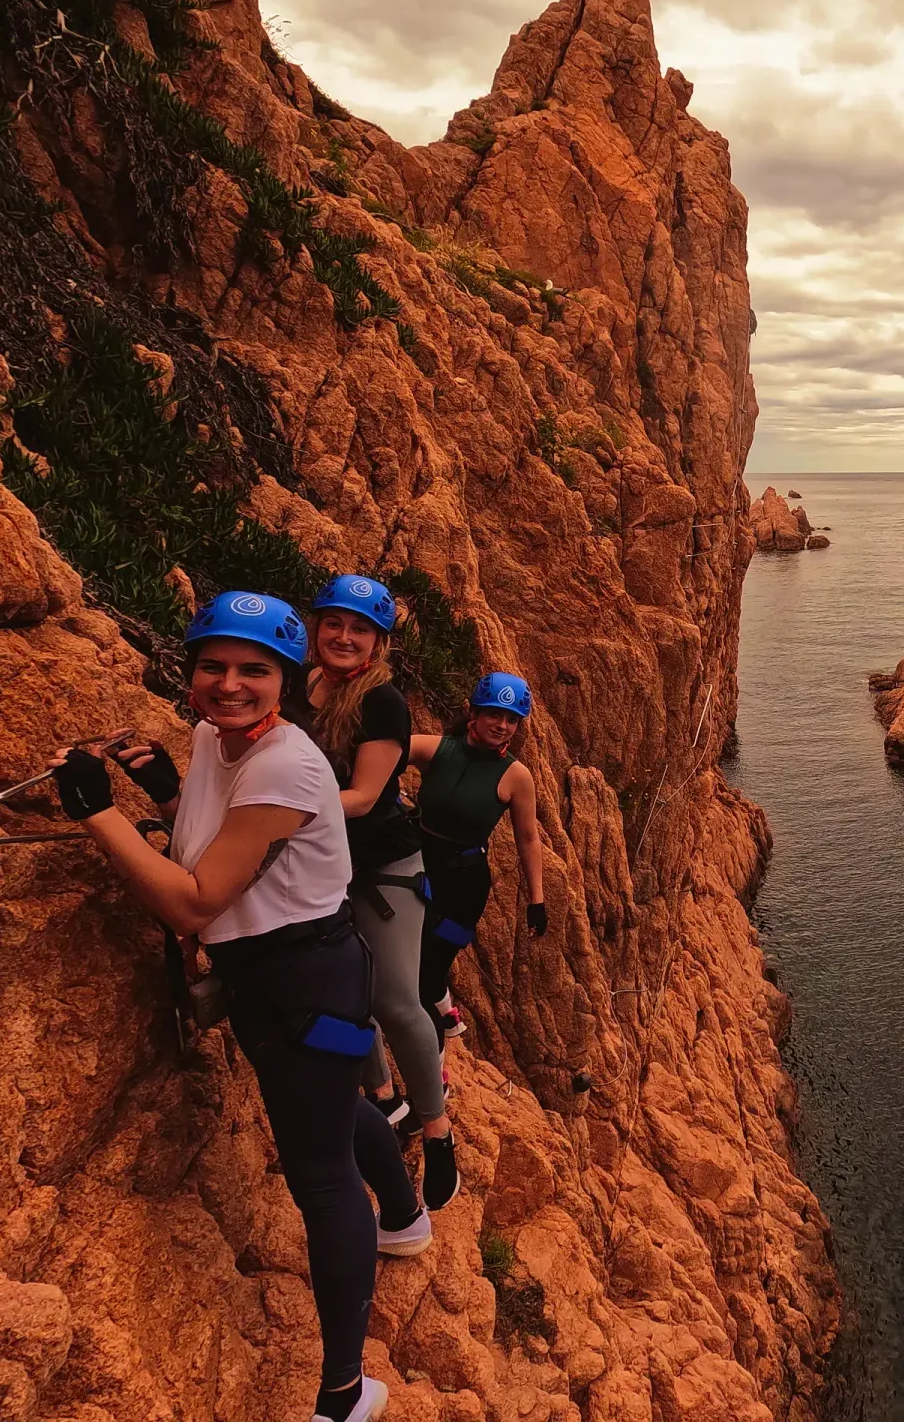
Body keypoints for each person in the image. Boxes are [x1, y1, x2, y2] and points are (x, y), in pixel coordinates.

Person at [50, 591, 427, 1422]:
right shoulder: (214, 740)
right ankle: (406, 1215)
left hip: (308, 979)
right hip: (272, 978)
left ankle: (343, 1391)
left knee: (321, 1179)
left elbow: (192, 901)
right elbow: (214, 845)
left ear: (286, 683)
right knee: (329, 1106)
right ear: (189, 676)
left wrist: (96, 813)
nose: (230, 685)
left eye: (255, 671)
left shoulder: (287, 762)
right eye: (212, 667)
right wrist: (165, 795)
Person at [302, 575, 458, 1209]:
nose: (343, 637)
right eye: (334, 623)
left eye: (359, 628)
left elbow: (365, 799)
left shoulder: (383, 703)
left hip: (382, 865)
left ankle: (437, 1127)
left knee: (395, 1001)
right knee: (344, 1002)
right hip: (319, 863)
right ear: (316, 626)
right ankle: (383, 1098)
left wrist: (271, 811)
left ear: (379, 641)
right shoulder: (297, 687)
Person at [408, 672, 548, 1043]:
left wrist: (537, 900)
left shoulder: (516, 776)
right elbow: (385, 749)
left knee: (426, 971)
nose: (502, 726)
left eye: (512, 720)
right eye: (494, 715)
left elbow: (528, 838)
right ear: (474, 712)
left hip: (464, 887)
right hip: (417, 871)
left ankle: (436, 1070)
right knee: (409, 965)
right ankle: (445, 1010)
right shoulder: (437, 750)